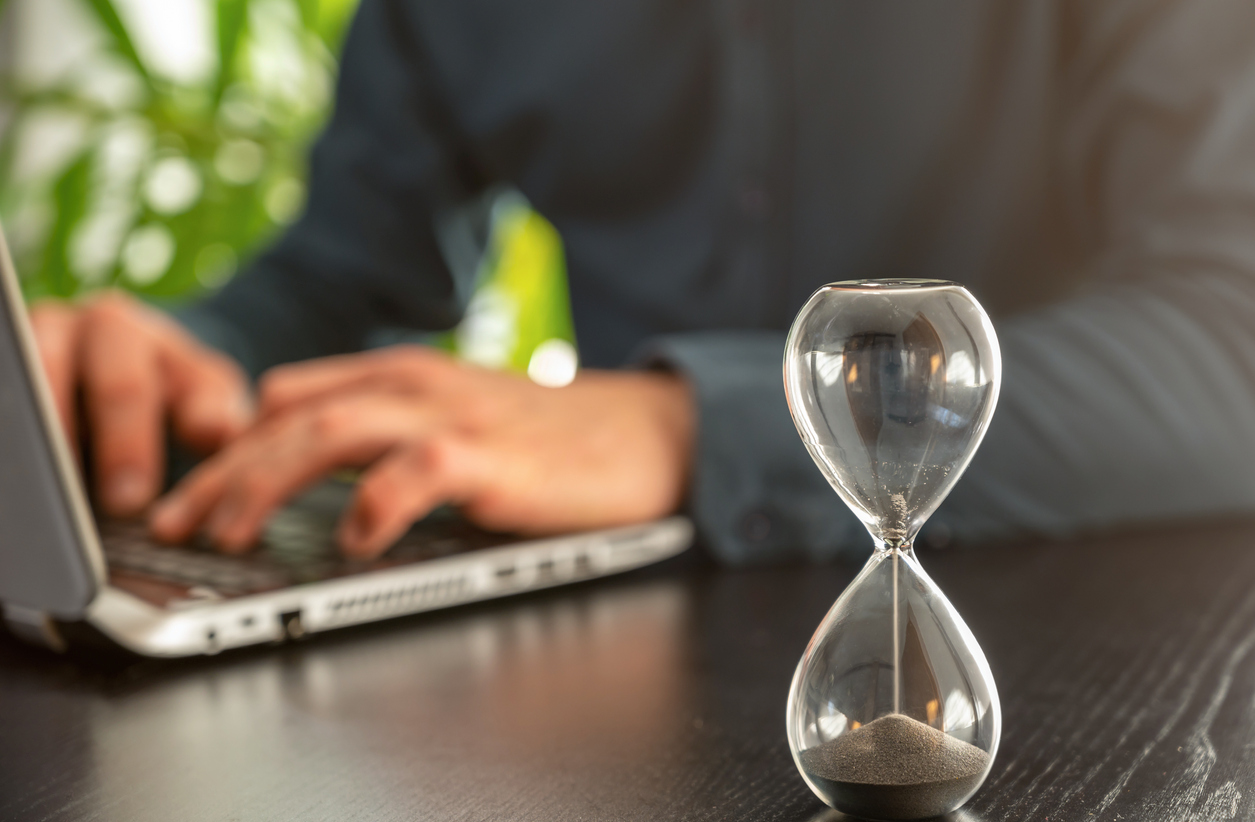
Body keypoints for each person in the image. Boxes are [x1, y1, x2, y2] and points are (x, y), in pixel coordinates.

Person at [29, 0, 1255, 564]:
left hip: (1093, 624)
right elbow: (341, 284)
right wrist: (162, 359)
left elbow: (1231, 339)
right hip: (635, 657)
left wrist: (686, 424)